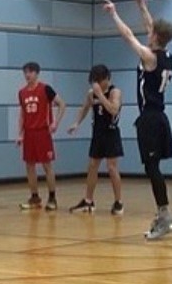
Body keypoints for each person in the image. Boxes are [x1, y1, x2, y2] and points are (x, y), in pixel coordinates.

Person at [103, 0, 172, 239]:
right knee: (152, 167)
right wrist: (141, 3)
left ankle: (165, 216)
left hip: (150, 119)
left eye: (151, 31)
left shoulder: (149, 57)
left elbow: (128, 36)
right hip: (159, 117)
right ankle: (163, 214)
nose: (148, 31)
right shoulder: (166, 55)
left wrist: (114, 14)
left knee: (152, 168)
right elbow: (149, 25)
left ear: (155, 36)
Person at [67, 64, 124, 215]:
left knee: (111, 167)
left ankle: (118, 202)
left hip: (111, 132)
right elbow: (85, 108)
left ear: (107, 78)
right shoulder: (91, 94)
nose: (97, 84)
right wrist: (76, 123)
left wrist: (100, 95)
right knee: (92, 165)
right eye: (95, 81)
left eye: (99, 80)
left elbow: (113, 109)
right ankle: (88, 201)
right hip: (98, 133)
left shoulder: (115, 92)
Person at [17, 62, 66, 211]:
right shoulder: (22, 92)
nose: (27, 75)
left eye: (30, 72)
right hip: (29, 133)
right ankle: (35, 198)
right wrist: (20, 134)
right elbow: (22, 114)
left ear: (37, 73)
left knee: (46, 165)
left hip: (43, 132)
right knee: (29, 165)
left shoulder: (45, 89)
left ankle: (52, 198)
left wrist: (56, 122)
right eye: (25, 72)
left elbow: (62, 104)